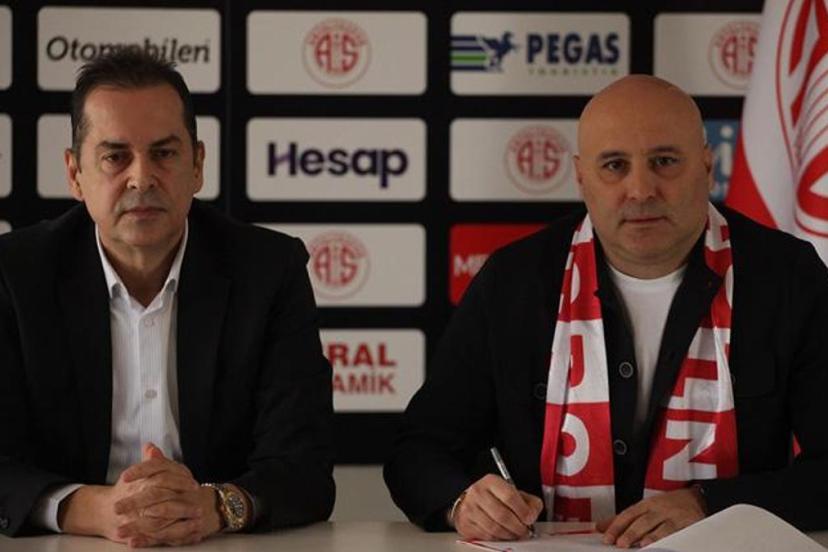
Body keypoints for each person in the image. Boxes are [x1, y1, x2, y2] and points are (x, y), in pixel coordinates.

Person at [384, 75, 828, 548]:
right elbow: (419, 450)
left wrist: (709, 505)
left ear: (706, 164)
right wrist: (462, 501)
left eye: (664, 161)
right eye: (615, 166)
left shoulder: (787, 277)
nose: (641, 190)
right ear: (581, 177)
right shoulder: (514, 281)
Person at [0, 50, 334, 546]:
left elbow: (305, 466)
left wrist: (214, 506)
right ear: (74, 174)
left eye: (164, 153)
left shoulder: (269, 271)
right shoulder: (13, 274)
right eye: (115, 156)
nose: (141, 178)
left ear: (197, 165)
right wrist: (90, 509)